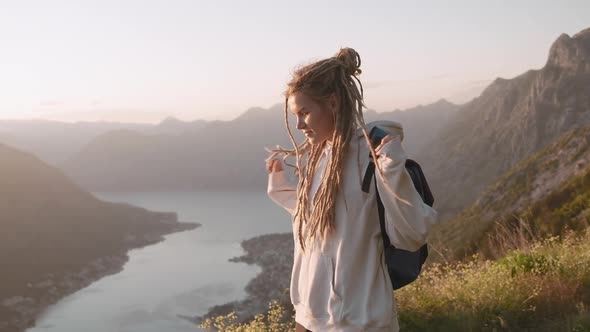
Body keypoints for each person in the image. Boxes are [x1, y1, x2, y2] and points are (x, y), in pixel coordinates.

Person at [265, 47, 438, 332]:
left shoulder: (373, 157)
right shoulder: (320, 157)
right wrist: (281, 188)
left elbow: (412, 233)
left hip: (359, 322)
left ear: (332, 104)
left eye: (305, 112)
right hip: (310, 317)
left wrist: (393, 172)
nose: (298, 125)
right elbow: (323, 223)